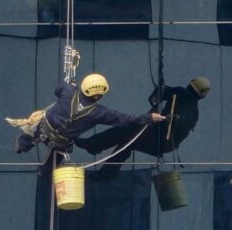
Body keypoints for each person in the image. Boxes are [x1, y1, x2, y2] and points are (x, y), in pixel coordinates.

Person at [7, 73, 165, 166]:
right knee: (53, 163)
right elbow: (124, 119)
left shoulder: (68, 91)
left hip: (43, 127)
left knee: (33, 129)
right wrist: (149, 117)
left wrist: (71, 88)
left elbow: (58, 89)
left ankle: (22, 146)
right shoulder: (98, 113)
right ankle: (45, 173)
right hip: (60, 142)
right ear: (97, 95)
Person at [76, 76, 210, 178]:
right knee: (128, 140)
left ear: (198, 97)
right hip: (154, 132)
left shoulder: (193, 112)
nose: (188, 92)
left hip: (162, 142)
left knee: (127, 132)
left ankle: (94, 147)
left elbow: (184, 122)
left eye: (192, 91)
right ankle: (103, 168)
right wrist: (157, 96)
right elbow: (164, 92)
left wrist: (174, 119)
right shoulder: (180, 92)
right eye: (189, 88)